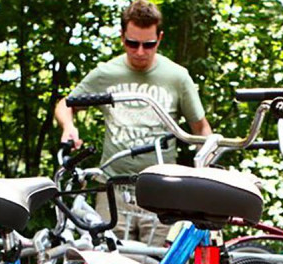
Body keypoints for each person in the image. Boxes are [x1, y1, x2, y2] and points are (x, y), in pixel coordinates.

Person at [54, 0, 212, 246]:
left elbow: (200, 128)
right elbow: (66, 104)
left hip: (160, 189)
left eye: (148, 44)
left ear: (159, 38)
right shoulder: (107, 73)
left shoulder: (177, 77)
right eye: (132, 43)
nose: (140, 52)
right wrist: (69, 127)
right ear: (122, 37)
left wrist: (205, 168)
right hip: (112, 189)